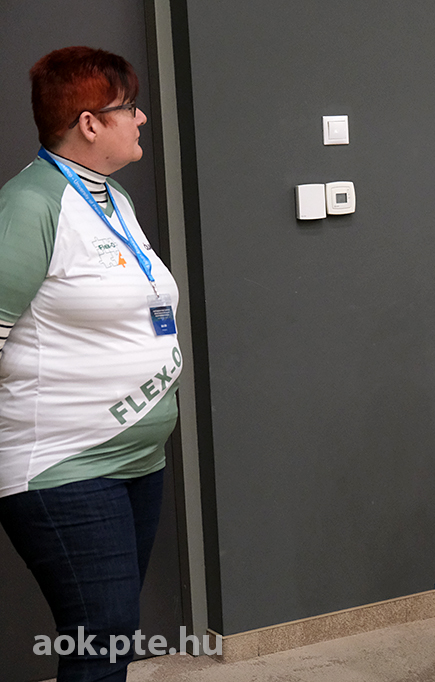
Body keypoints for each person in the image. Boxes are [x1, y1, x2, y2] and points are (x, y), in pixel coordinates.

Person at [0, 46, 180, 681]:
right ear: (89, 123)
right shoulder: (30, 205)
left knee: (110, 636)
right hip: (63, 464)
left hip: (137, 458)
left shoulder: (112, 197)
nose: (141, 118)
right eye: (128, 107)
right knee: (101, 637)